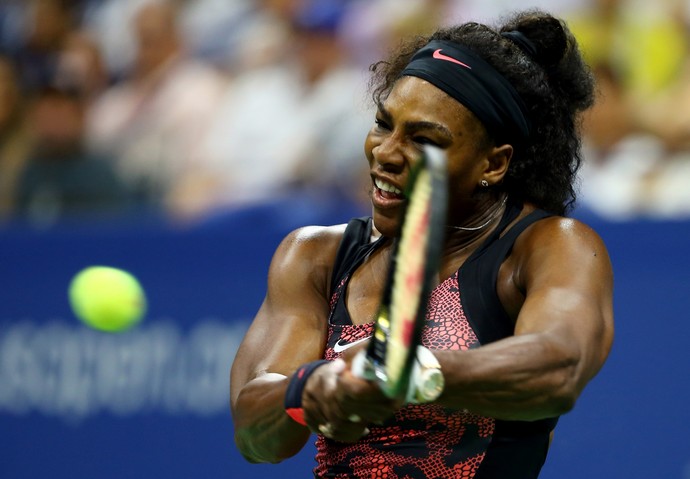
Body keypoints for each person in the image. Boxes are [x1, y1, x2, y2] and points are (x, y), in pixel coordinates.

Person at [230, 9, 614, 479]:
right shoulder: (316, 256)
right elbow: (255, 435)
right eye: (383, 123)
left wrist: (410, 373)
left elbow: (559, 368)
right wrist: (310, 390)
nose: (386, 153)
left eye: (423, 140)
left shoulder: (550, 247)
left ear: (493, 164)